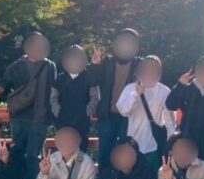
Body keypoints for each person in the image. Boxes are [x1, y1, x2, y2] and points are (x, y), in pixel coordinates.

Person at [0, 32, 57, 179]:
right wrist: (0, 88)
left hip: (40, 117)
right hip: (19, 116)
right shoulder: (18, 65)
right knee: (17, 152)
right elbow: (6, 81)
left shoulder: (50, 66)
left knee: (34, 155)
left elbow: (55, 89)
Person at [88, 28, 142, 168]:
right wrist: (95, 65)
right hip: (107, 115)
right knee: (105, 152)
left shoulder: (139, 64)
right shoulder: (106, 62)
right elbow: (92, 81)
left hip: (129, 116)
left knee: (127, 151)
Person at [165, 55, 204, 171]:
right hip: (187, 139)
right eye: (203, 69)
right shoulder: (187, 88)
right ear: (196, 69)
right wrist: (180, 84)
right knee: (185, 173)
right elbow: (170, 105)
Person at [116, 55, 175, 165]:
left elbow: (170, 121)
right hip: (132, 143)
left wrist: (171, 143)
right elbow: (123, 111)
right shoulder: (130, 88)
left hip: (154, 144)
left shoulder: (164, 91)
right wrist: (136, 94)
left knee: (153, 173)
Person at [50, 45, 99, 151]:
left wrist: (87, 111)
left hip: (82, 121)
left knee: (81, 148)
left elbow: (95, 97)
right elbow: (53, 98)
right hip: (63, 120)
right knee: (63, 149)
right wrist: (59, 112)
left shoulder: (90, 78)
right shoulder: (59, 78)